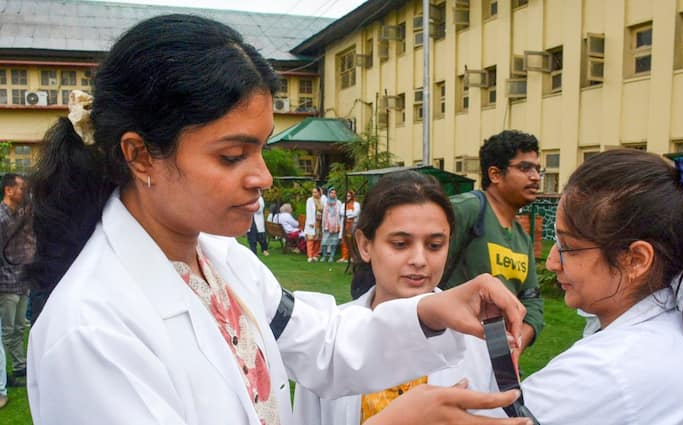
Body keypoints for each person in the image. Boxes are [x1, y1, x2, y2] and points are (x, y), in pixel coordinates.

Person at [25, 14, 532, 425]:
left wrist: (432, 312)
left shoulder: (223, 262)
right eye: (232, 156)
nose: (263, 178)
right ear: (139, 155)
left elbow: (325, 345)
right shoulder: (93, 331)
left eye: (261, 149)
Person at [518, 150, 683, 424]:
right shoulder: (669, 332)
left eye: (569, 247)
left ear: (636, 260)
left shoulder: (608, 368)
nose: (553, 262)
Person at [294, 171, 506, 424]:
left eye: (434, 245)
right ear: (364, 245)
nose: (419, 260)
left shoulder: (478, 338)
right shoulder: (327, 337)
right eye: (400, 244)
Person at [441, 130, 544, 358]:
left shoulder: (522, 238)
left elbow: (533, 302)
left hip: (495, 357)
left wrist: (514, 347)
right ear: (496, 174)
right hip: (447, 352)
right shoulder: (465, 210)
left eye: (538, 169)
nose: (536, 177)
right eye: (525, 168)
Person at [0, 173, 32, 388]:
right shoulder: (1, 217)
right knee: (5, 330)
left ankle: (20, 365)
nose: (25, 192)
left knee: (20, 326)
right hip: (5, 283)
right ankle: (4, 374)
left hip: (22, 280)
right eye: (21, 188)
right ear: (8, 190)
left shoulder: (20, 214)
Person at [337, 189, 360, 263]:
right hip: (345, 224)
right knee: (344, 241)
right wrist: (349, 213)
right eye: (347, 196)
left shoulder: (356, 204)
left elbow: (356, 213)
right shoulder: (344, 204)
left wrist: (347, 214)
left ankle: (353, 257)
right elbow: (341, 212)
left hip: (353, 224)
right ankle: (344, 257)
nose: (348, 197)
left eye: (349, 196)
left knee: (352, 241)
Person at [320, 187, 341, 262]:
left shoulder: (338, 202)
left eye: (334, 193)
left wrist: (339, 225)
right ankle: (324, 256)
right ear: (329, 194)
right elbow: (323, 213)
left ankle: (332, 256)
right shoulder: (325, 202)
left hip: (335, 225)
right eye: (331, 193)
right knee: (325, 241)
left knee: (334, 241)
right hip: (327, 225)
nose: (333, 194)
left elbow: (340, 214)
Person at [304, 187, 323, 262]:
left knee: (317, 239)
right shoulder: (310, 200)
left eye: (315, 192)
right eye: (313, 192)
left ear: (319, 193)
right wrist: (310, 222)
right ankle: (310, 255)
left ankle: (315, 255)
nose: (314, 194)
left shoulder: (321, 200)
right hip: (312, 222)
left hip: (319, 222)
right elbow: (308, 212)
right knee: (310, 239)